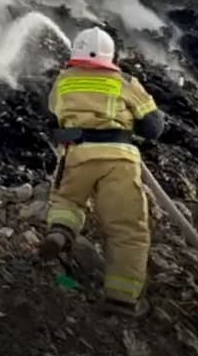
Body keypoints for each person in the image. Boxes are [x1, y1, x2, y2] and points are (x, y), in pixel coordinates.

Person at [39, 26, 165, 317]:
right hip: (119, 160)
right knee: (126, 227)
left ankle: (60, 231)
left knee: (67, 201)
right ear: (110, 57)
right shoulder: (125, 82)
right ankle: (121, 298)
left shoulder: (63, 82)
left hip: (76, 154)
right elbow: (153, 127)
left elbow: (52, 117)